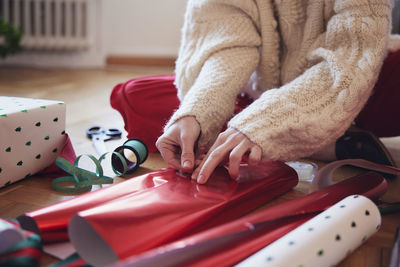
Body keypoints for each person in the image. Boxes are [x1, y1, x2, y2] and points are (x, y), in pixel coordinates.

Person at [111, 0, 400, 184]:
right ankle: (328, 141)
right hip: (257, 94)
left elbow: (350, 60)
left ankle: (277, 135)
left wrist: (263, 123)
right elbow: (225, 46)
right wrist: (199, 111)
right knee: (132, 95)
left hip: (357, 85)